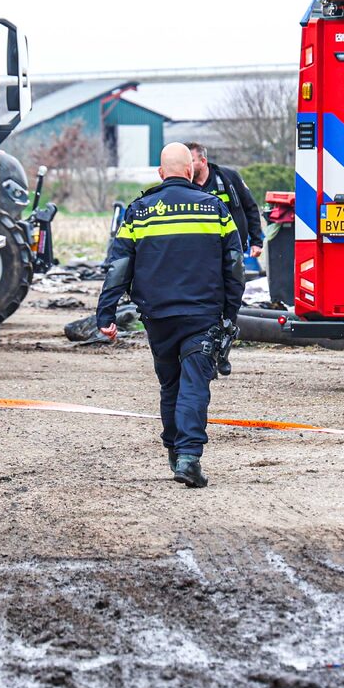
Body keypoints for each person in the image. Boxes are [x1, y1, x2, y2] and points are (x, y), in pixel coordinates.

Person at [95, 142, 245, 489]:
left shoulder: (140, 211)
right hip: (202, 314)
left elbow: (119, 266)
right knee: (194, 384)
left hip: (158, 316)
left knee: (170, 385)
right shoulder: (214, 208)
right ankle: (189, 457)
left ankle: (176, 454)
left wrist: (106, 313)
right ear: (190, 171)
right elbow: (235, 266)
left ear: (161, 173)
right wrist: (231, 313)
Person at [187, 142, 265, 261]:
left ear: (203, 161)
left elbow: (250, 207)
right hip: (200, 253)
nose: (187, 166)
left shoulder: (229, 176)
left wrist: (256, 242)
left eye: (191, 161)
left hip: (233, 250)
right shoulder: (184, 185)